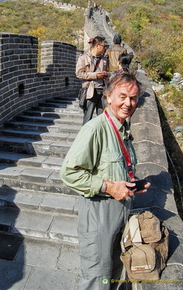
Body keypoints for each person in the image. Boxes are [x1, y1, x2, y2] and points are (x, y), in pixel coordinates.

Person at [60, 73, 151, 289]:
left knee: (115, 272)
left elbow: (114, 166)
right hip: (99, 218)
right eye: (122, 96)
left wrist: (131, 183)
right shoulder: (95, 129)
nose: (128, 103)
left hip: (120, 215)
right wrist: (109, 186)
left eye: (133, 98)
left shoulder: (122, 129)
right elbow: (68, 173)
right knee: (97, 279)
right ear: (109, 97)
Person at [76, 36, 108, 125]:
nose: (105, 48)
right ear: (97, 46)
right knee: (88, 117)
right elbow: (79, 73)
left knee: (102, 118)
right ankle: (85, 137)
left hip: (102, 91)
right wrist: (95, 75)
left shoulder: (104, 59)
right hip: (90, 91)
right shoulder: (84, 58)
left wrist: (105, 75)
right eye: (103, 46)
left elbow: (107, 73)